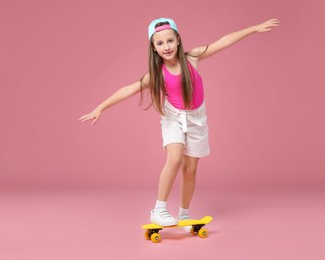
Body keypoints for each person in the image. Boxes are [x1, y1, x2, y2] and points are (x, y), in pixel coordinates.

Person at [79, 17, 279, 227]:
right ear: (154, 48)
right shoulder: (156, 74)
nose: (166, 47)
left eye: (170, 41)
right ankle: (159, 209)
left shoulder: (192, 57)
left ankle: (184, 214)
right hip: (174, 117)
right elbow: (128, 89)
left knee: (190, 169)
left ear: (178, 40)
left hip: (197, 118)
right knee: (174, 159)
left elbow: (224, 41)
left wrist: (254, 29)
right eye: (160, 43)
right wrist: (101, 107)